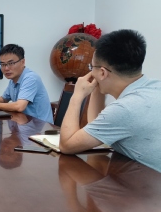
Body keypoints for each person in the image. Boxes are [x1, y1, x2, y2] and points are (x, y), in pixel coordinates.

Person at [59, 29, 161, 172]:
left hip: (144, 184)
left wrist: (77, 96)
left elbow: (67, 145)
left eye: (91, 67)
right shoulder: (156, 87)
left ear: (102, 72)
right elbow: (98, 130)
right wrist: (97, 88)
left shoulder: (125, 109)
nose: (91, 71)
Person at [0, 44, 53, 123]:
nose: (6, 68)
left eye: (11, 63)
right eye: (3, 64)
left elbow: (19, 106)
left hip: (41, 127)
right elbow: (4, 99)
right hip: (24, 123)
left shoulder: (30, 78)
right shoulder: (13, 79)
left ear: (22, 62)